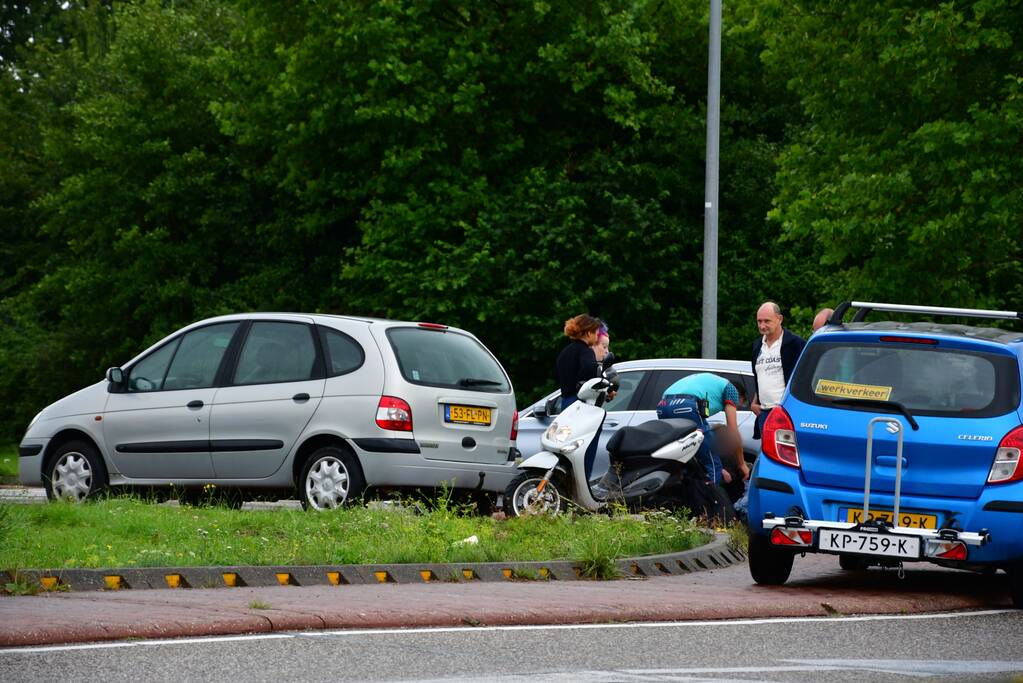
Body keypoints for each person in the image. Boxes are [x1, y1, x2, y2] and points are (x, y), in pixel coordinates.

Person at [656, 373, 748, 486]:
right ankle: (712, 495)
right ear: (740, 396)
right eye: (739, 405)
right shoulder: (731, 390)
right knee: (713, 462)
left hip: (663, 405)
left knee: (684, 455)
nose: (736, 408)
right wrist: (742, 464)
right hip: (686, 404)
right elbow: (733, 431)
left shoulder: (711, 386)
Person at [555, 314, 605, 480]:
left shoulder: (565, 352)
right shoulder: (586, 352)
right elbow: (590, 370)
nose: (597, 337)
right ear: (588, 333)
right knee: (585, 449)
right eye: (596, 333)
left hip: (566, 404)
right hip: (581, 406)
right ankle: (582, 483)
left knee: (567, 449)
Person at [751, 302, 805, 439]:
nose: (762, 326)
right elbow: (759, 377)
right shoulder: (757, 346)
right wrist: (754, 401)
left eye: (767, 321)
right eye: (759, 321)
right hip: (764, 413)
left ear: (779, 319)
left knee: (786, 451)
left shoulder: (795, 343)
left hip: (786, 412)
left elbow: (804, 376)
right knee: (765, 450)